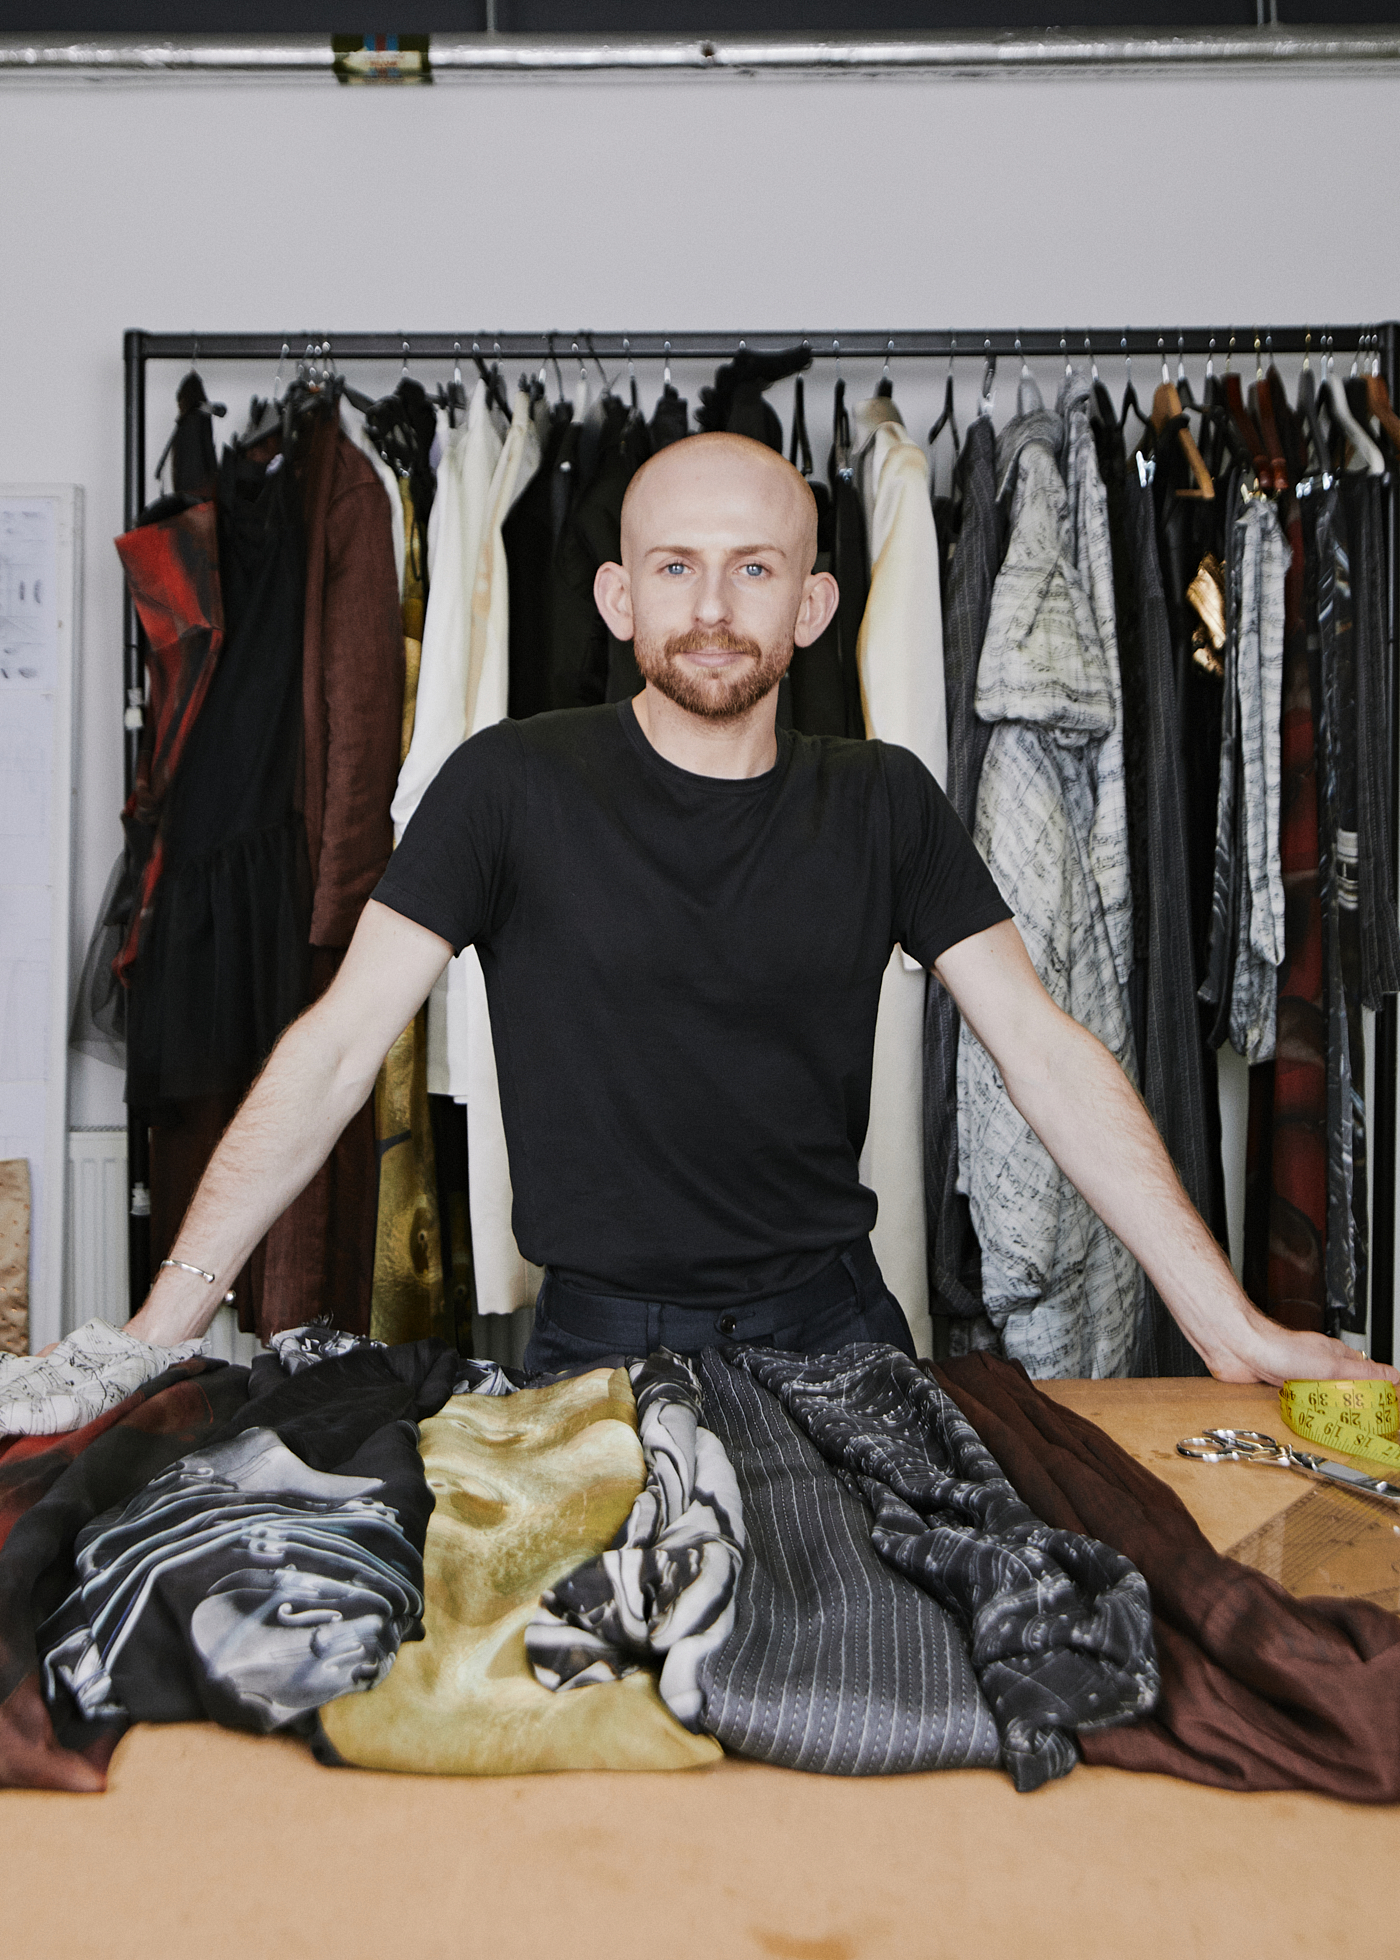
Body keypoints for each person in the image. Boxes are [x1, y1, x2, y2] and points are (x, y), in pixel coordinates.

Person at [128, 433, 1395, 1389]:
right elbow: (339, 1046)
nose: (712, 609)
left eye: (753, 569)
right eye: (675, 567)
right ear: (618, 600)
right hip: (598, 1348)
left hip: (837, 1333)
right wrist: (158, 1330)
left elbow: (1043, 1051)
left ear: (812, 606)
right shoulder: (506, 786)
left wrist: (1224, 1322)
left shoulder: (884, 801)